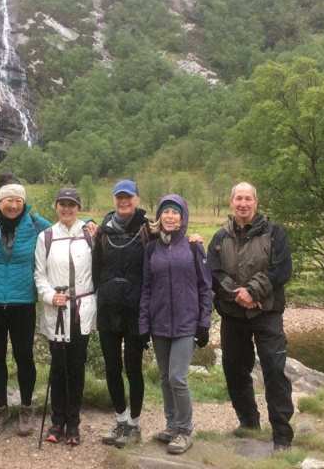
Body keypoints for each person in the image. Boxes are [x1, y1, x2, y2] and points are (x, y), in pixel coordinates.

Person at [206, 182, 294, 451]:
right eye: (238, 199)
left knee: (274, 371)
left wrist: (253, 291)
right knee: (234, 370)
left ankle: (281, 435)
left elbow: (281, 270)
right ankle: (249, 423)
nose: (243, 204)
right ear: (231, 202)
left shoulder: (275, 233)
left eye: (248, 199)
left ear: (256, 202)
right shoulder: (220, 237)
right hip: (233, 315)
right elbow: (214, 273)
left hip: (266, 313)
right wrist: (236, 293)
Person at [0, 173, 51, 437]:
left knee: (24, 356)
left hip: (23, 301)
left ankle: (26, 408)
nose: (13, 205)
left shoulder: (35, 223)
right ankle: (0, 408)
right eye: (7, 200)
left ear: (23, 202)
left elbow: (64, 228)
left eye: (17, 200)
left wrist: (91, 224)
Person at [140, 194, 212, 455]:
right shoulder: (151, 248)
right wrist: (143, 325)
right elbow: (146, 288)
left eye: (175, 212)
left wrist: (204, 323)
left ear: (183, 217)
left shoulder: (193, 247)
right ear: (159, 217)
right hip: (159, 323)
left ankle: (185, 429)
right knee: (164, 378)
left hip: (186, 323)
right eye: (165, 212)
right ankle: (171, 425)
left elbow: (206, 288)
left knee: (177, 377)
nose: (170, 216)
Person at [34, 187, 96, 446]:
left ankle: (73, 422)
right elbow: (39, 275)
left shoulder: (90, 234)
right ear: (56, 206)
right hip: (56, 309)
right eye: (63, 204)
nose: (67, 209)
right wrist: (50, 296)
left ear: (78, 207)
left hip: (81, 309)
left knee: (76, 367)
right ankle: (57, 421)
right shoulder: (46, 237)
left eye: (72, 204)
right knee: (58, 367)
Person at [92, 179, 150, 448]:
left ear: (137, 199)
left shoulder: (148, 229)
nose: (124, 201)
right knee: (112, 368)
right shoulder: (102, 232)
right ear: (114, 199)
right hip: (107, 308)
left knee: (133, 368)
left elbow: (171, 240)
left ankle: (135, 425)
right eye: (119, 197)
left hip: (135, 310)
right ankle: (120, 420)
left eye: (128, 197)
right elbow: (95, 270)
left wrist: (194, 240)